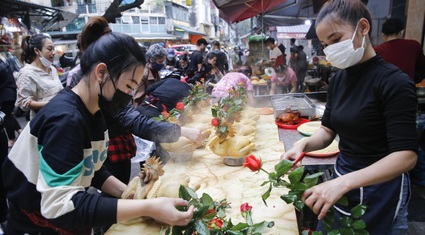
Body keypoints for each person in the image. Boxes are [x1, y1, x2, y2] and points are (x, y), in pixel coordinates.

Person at [2, 21, 194, 234]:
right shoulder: (66, 120)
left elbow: (89, 169)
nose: (129, 96)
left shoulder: (95, 111)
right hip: (34, 225)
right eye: (129, 85)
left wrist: (133, 194)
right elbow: (60, 206)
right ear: (101, 72)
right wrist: (146, 206)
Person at [282, 1, 417, 234]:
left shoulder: (394, 82)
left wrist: (343, 183)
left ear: (363, 27)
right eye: (325, 44)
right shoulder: (339, 79)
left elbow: (406, 157)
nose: (330, 50)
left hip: (380, 187)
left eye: (336, 40)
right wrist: (304, 144)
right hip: (343, 175)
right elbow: (327, 131)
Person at [16, 33, 63, 120]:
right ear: (37, 51)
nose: (53, 52)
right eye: (49, 49)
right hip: (43, 120)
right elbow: (24, 103)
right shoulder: (27, 73)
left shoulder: (52, 69)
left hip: (59, 115)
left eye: (54, 49)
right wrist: (51, 103)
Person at [374, 17, 425, 82]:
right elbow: (422, 68)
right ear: (402, 32)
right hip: (406, 88)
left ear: (383, 35)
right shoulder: (414, 45)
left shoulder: (377, 50)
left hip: (382, 89)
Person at [0, 55, 22, 148]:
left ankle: (11, 139)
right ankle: (19, 130)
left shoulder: (2, 64)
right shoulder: (3, 62)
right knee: (9, 114)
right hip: (9, 92)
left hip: (5, 93)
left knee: (7, 117)